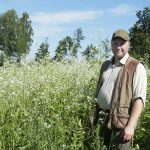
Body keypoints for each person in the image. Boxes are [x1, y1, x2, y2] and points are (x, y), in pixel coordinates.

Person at [88, 29, 147, 149]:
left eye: (122, 43)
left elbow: (139, 99)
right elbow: (97, 92)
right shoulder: (105, 65)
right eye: (115, 43)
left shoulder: (136, 66)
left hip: (121, 123)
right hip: (102, 118)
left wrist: (130, 126)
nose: (118, 47)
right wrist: (92, 116)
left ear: (129, 44)